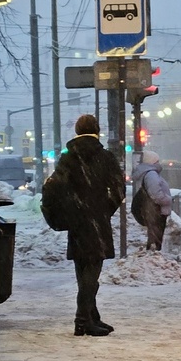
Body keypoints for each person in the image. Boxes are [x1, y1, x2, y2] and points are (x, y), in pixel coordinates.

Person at [51, 113, 125, 337]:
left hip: (76, 221)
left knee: (83, 270)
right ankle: (82, 321)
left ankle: (92, 316)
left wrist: (71, 210)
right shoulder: (105, 157)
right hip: (96, 221)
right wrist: (103, 210)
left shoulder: (67, 158)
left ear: (76, 131)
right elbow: (119, 190)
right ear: (97, 130)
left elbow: (57, 188)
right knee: (92, 272)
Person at [130, 150, 173, 251]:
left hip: (151, 210)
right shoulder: (151, 174)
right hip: (156, 210)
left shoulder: (148, 173)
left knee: (154, 237)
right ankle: (153, 258)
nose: (159, 163)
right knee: (155, 239)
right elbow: (155, 193)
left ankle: (152, 257)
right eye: (157, 161)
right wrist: (167, 200)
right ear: (152, 162)